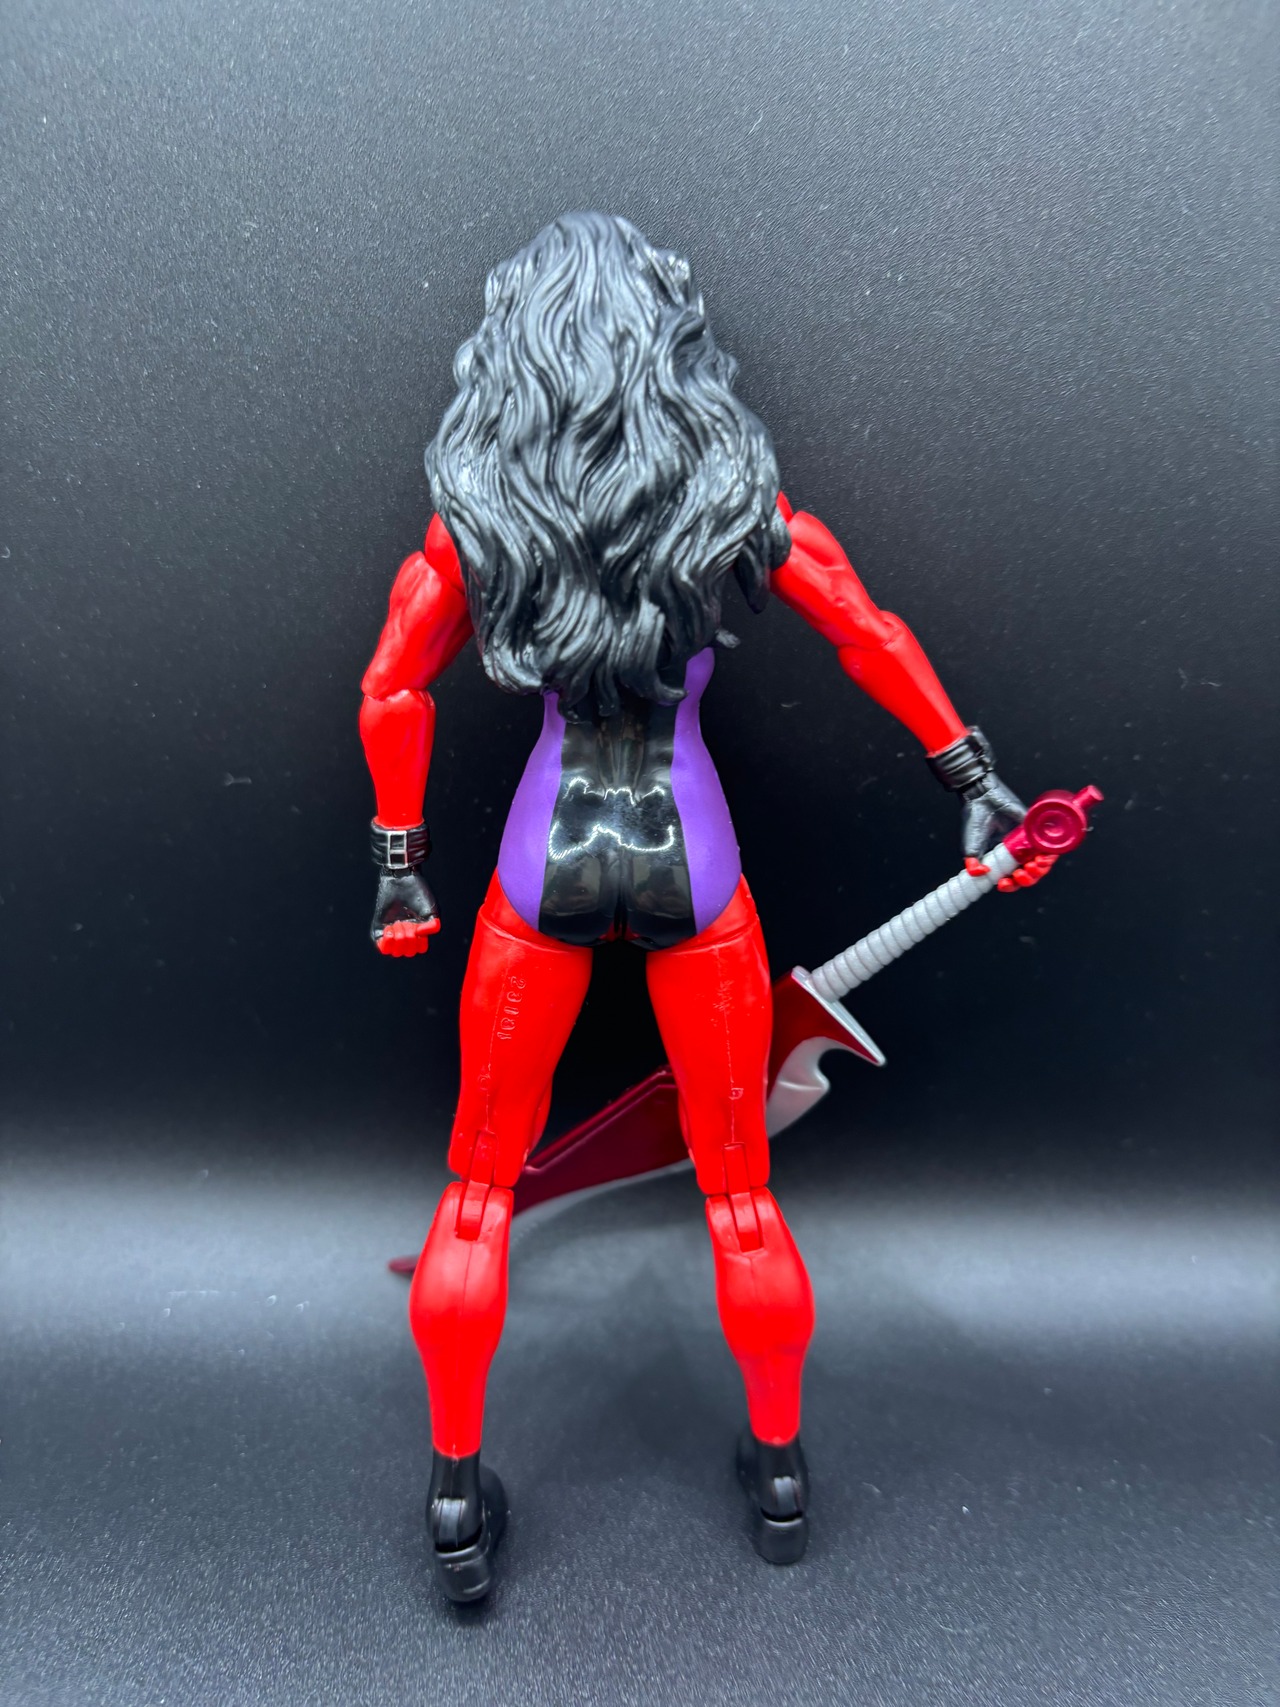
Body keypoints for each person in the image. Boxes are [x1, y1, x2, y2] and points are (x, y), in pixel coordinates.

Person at [358, 212, 1048, 1603]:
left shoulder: (478, 518)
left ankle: (454, 1496)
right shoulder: (733, 504)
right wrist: (975, 779)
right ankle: (780, 1474)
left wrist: (399, 863)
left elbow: (392, 688)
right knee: (738, 1192)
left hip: (543, 858)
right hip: (696, 858)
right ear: (673, 346)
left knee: (480, 1188)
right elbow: (866, 630)